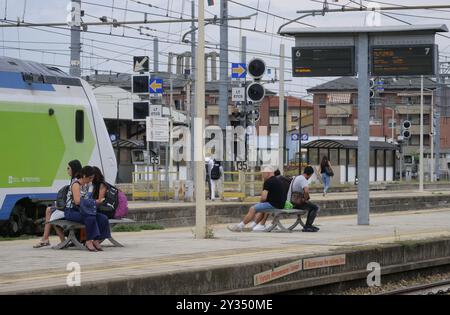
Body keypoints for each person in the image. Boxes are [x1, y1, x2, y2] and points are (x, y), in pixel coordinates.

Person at [33, 159, 82, 248]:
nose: (67, 170)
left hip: (72, 210)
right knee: (51, 213)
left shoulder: (76, 182)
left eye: (68, 168)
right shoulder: (77, 180)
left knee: (50, 212)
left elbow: (74, 200)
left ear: (73, 169)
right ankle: (55, 240)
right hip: (72, 208)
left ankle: (49, 239)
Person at [64, 166, 111, 252]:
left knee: (103, 218)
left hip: (83, 210)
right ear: (84, 176)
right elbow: (77, 201)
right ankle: (89, 240)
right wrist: (94, 202)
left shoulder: (85, 185)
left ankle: (97, 239)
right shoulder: (76, 185)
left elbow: (86, 200)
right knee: (90, 218)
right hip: (71, 211)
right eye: (90, 178)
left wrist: (95, 202)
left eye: (92, 178)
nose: (91, 180)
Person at [228, 165, 288, 232]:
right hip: (281, 205)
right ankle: (254, 225)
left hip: (274, 205)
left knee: (253, 209)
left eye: (263, 173)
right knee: (262, 208)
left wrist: (259, 204)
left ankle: (240, 226)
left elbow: (263, 198)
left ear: (268, 173)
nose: (262, 175)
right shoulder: (278, 180)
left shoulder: (268, 181)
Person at [288, 166, 320, 232]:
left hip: (290, 201)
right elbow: (306, 191)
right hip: (294, 203)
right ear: (310, 174)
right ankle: (308, 226)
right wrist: (305, 199)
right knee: (315, 207)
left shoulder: (297, 177)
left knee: (311, 205)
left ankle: (309, 225)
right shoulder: (303, 180)